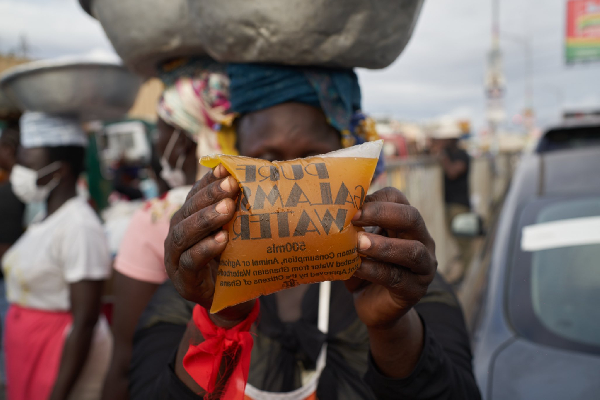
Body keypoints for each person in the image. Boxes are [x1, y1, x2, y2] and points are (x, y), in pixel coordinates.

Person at [129, 64, 481, 400]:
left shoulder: (397, 278)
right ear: (236, 162)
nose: (286, 182)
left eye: (314, 161)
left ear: (349, 159)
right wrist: (220, 317)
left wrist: (392, 328)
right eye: (267, 159)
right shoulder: (202, 286)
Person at [101, 58, 234, 400]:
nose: (156, 140)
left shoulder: (155, 217)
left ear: (184, 138)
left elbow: (124, 358)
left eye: (160, 129)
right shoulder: (248, 202)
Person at [2, 112, 112, 400]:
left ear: (59, 170)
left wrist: (58, 393)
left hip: (59, 356)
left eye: (27, 164)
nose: (18, 171)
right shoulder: (44, 217)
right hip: (30, 349)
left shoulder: (79, 225)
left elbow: (85, 319)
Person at [430, 120, 473, 283]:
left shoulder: (462, 155)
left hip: (460, 205)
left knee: (465, 243)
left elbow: (453, 172)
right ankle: (466, 273)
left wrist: (443, 157)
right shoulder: (449, 154)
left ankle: (470, 277)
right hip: (451, 204)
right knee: (458, 239)